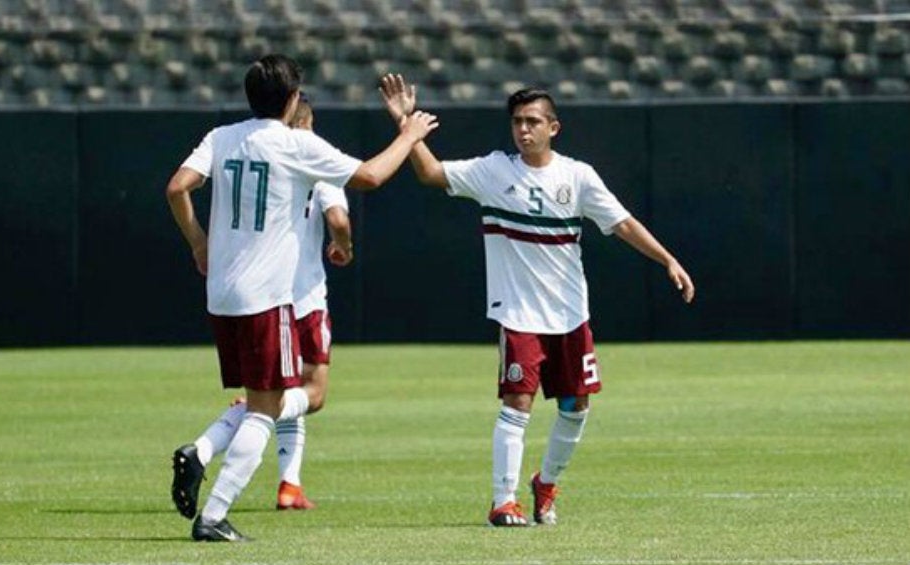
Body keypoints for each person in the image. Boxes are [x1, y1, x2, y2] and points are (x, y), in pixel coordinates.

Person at [378, 74, 694, 527]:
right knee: (517, 404)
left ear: (553, 128)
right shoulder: (493, 171)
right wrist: (406, 123)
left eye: (532, 122)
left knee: (576, 408)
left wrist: (667, 260)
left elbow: (622, 223)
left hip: (570, 313)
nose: (523, 130)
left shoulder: (577, 176)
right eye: (517, 123)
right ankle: (503, 501)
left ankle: (546, 482)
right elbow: (430, 173)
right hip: (518, 313)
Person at [166, 55, 438, 542]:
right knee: (265, 410)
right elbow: (371, 177)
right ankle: (213, 515)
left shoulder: (221, 136)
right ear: (293, 99)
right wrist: (409, 135)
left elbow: (177, 188)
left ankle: (207, 457)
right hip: (266, 296)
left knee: (260, 402)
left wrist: (198, 242)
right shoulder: (295, 144)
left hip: (221, 294)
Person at [170, 95, 352, 517]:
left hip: (247, 294)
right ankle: (213, 453)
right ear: (302, 123)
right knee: (310, 393)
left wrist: (200, 243)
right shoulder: (311, 156)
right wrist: (343, 245)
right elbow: (339, 219)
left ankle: (290, 482)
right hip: (297, 298)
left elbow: (179, 186)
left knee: (280, 390)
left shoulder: (242, 150)